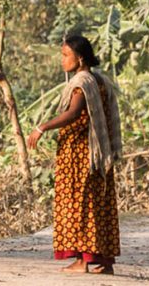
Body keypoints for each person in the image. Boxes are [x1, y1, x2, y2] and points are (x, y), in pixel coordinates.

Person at [27, 35, 123, 275]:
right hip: (97, 155)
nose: (62, 60)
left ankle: (82, 260)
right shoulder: (99, 81)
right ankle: (105, 261)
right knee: (98, 203)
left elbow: (73, 113)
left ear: (80, 58)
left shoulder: (82, 82)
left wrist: (42, 127)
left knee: (79, 204)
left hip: (81, 156)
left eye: (65, 55)